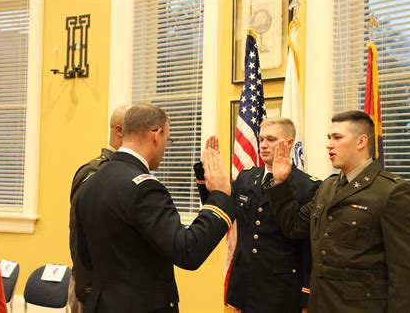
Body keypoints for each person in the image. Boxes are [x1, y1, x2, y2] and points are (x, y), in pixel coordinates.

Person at [76, 102, 237, 313]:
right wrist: (220, 196)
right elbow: (188, 252)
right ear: (157, 134)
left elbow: (85, 256)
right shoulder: (144, 187)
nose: (165, 148)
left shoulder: (92, 181)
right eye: (167, 140)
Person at [266, 110, 410, 313]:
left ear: (361, 142)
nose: (329, 144)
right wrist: (280, 183)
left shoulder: (391, 192)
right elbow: (294, 227)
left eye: (337, 137)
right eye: (328, 137)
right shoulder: (327, 187)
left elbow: (407, 276)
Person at [194, 117, 321, 312]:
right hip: (246, 285)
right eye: (261, 139)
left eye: (271, 139)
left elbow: (308, 248)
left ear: (289, 143)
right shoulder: (247, 177)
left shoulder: (307, 186)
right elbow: (220, 207)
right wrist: (206, 173)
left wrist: (306, 296)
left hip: (281, 291)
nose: (263, 145)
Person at [68, 104, 130, 313]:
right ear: (119, 131)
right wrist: (88, 288)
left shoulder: (127, 172)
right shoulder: (96, 172)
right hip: (93, 290)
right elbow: (80, 233)